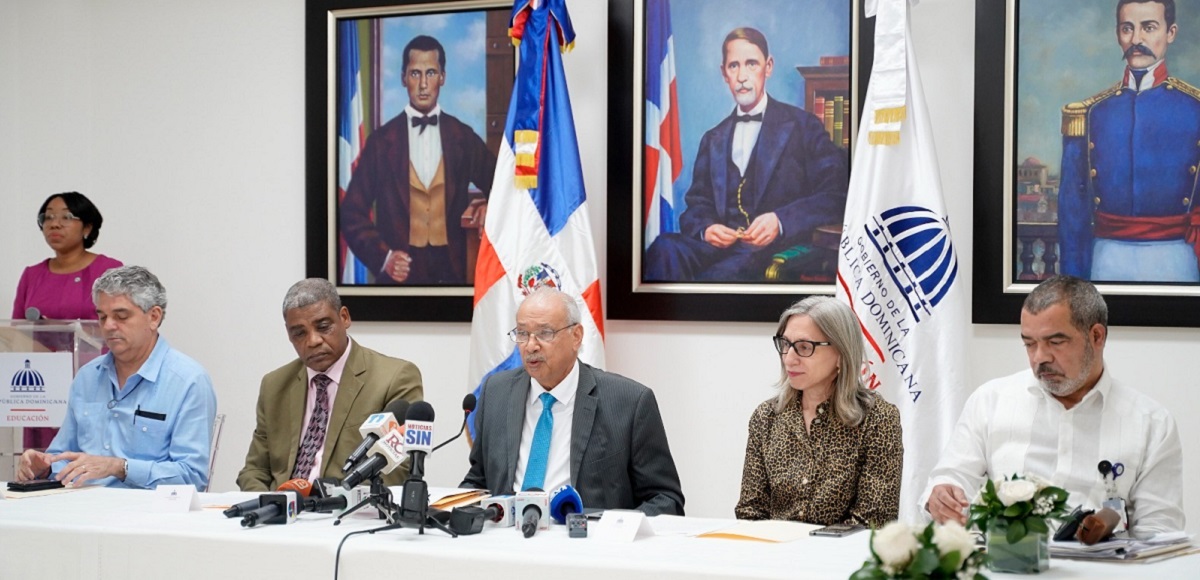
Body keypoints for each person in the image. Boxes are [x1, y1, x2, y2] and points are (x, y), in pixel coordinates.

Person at [921, 275, 1184, 538]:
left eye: (1055, 342)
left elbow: (1159, 535)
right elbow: (952, 478)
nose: (1040, 358)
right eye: (1029, 343)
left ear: (1096, 336)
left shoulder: (1151, 423)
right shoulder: (990, 401)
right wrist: (943, 495)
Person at [643, 27, 848, 282]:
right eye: (733, 66)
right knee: (664, 249)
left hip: (772, 250)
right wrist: (707, 229)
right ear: (724, 74)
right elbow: (697, 206)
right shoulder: (713, 138)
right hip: (719, 249)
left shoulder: (803, 126)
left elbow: (836, 195)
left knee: (718, 278)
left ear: (768, 66)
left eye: (751, 64)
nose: (742, 76)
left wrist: (780, 221)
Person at [461, 286, 684, 516]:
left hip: (585, 543)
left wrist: (614, 531)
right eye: (522, 333)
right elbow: (479, 480)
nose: (530, 345)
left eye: (545, 333)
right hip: (506, 540)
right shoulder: (496, 392)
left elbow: (666, 499)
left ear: (576, 336)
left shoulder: (629, 402)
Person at [15, 266, 218, 490]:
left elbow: (191, 477)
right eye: (102, 317)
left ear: (154, 317)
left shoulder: (188, 381)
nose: (109, 326)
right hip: (80, 510)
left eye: (121, 316)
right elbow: (62, 455)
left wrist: (119, 467)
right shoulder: (87, 377)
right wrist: (43, 466)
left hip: (147, 515)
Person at [1059, 0, 1200, 281]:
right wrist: (1072, 282)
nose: (1137, 40)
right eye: (1127, 28)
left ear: (1170, 33)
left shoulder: (1195, 109)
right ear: (1117, 35)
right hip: (1105, 259)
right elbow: (1073, 212)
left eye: (1149, 28)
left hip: (1178, 260)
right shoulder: (1089, 113)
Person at [237, 279, 424, 491]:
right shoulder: (274, 385)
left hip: (346, 514)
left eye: (323, 327)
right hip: (282, 513)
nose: (313, 340)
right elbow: (254, 471)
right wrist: (267, 506)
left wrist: (316, 497)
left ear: (344, 317)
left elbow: (397, 471)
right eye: (299, 333)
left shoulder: (394, 378)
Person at [341, 34, 496, 285]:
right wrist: (384, 258)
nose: (423, 84)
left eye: (431, 73)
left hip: (453, 272)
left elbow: (504, 186)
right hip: (399, 278)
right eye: (415, 74)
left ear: (442, 77)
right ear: (404, 78)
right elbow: (351, 212)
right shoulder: (382, 142)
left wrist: (488, 203)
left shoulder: (462, 137)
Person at [735, 296, 902, 527]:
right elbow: (750, 512)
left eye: (804, 347)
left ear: (841, 354)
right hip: (775, 556)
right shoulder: (766, 418)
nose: (789, 359)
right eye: (785, 344)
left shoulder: (877, 419)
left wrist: (810, 550)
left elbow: (873, 519)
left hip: (842, 558)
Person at [11, 192, 124, 451]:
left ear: (87, 227)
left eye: (66, 217)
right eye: (48, 217)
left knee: (90, 459)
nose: (54, 223)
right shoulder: (32, 275)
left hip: (96, 379)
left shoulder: (107, 269)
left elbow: (119, 322)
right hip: (43, 387)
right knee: (45, 464)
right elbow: (16, 333)